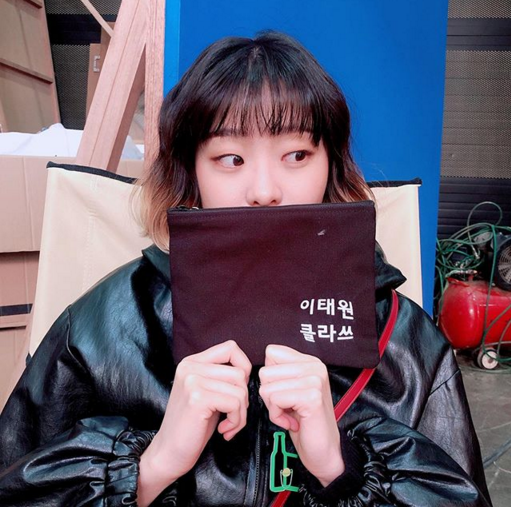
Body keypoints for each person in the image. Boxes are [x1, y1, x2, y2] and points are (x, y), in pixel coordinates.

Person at [0, 32, 492, 506]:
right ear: (190, 173)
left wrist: (339, 468)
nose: (264, 191)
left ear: (331, 167)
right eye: (231, 158)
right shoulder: (98, 331)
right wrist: (153, 466)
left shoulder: (406, 341)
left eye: (296, 155)